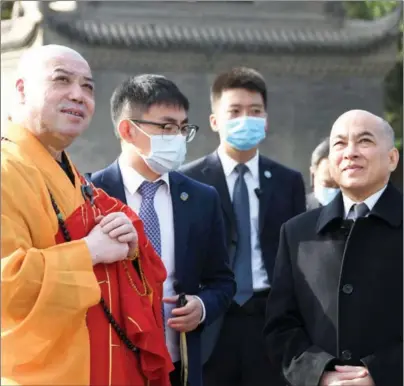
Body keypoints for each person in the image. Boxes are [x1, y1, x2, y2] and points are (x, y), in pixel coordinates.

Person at [1, 45, 173, 386]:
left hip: (99, 364)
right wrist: (89, 252)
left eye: (88, 87)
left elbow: (136, 260)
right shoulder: (6, 170)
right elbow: (7, 285)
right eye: (62, 80)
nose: (78, 95)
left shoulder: (75, 178)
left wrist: (128, 237)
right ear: (22, 89)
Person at [87, 74, 236, 386]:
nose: (178, 137)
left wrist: (203, 307)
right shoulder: (89, 193)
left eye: (183, 129)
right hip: (110, 363)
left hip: (177, 362)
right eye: (167, 127)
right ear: (128, 129)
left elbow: (222, 281)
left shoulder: (201, 198)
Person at [180, 67, 306, 386]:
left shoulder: (287, 181)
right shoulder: (188, 181)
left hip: (268, 319)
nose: (245, 119)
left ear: (265, 120)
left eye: (255, 111)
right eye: (234, 111)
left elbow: (297, 259)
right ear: (214, 121)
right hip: (210, 319)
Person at [264, 109, 402, 386]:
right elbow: (281, 326)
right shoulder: (297, 233)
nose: (350, 152)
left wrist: (379, 373)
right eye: (339, 143)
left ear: (392, 158)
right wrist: (320, 374)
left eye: (364, 141)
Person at [307, 137, 339, 210]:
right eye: (327, 184)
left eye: (339, 186)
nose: (333, 191)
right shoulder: (297, 210)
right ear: (313, 175)